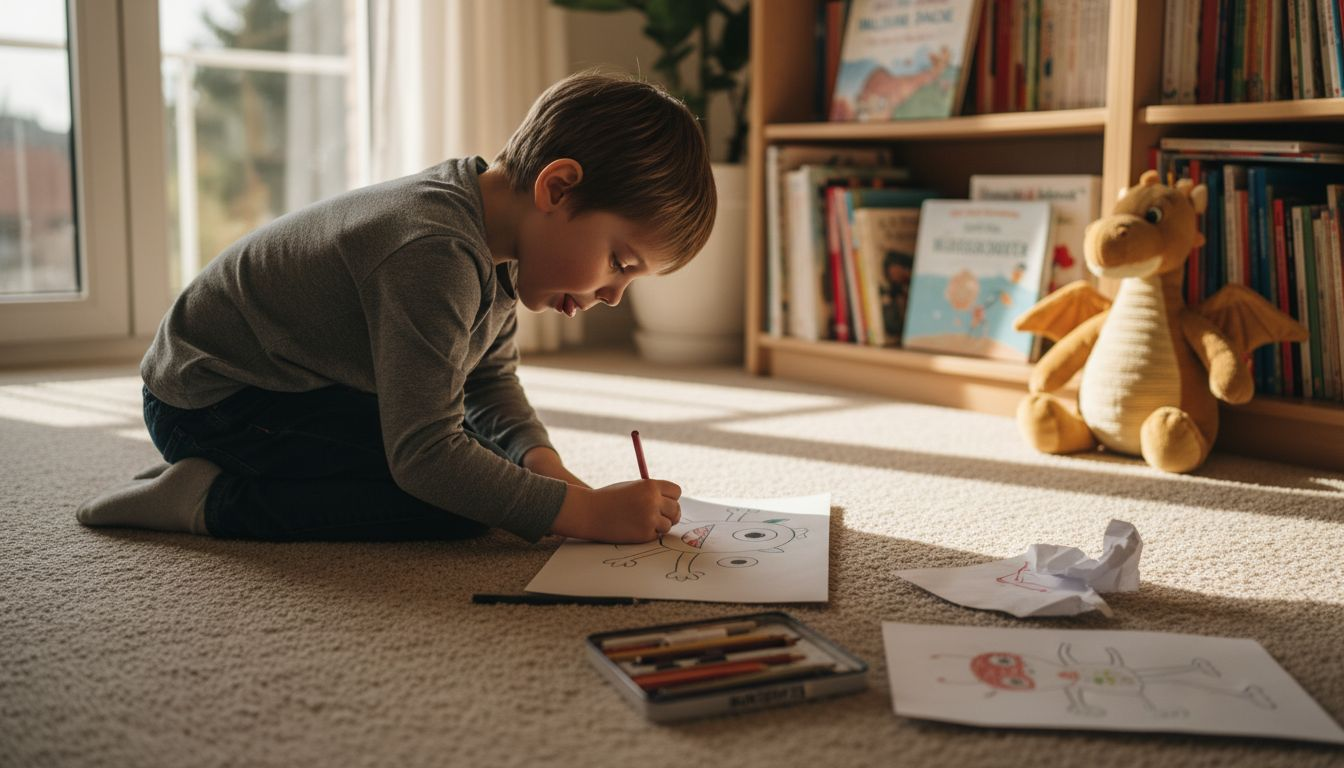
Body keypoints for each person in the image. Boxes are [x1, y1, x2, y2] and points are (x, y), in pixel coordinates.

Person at [75, 70, 716, 545]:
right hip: (213, 398)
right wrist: (583, 516)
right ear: (559, 187)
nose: (612, 295)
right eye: (620, 263)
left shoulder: (499, 238)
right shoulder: (433, 251)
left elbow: (488, 380)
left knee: (494, 475)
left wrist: (554, 476)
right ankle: (210, 499)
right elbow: (426, 457)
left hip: (288, 383)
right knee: (458, 500)